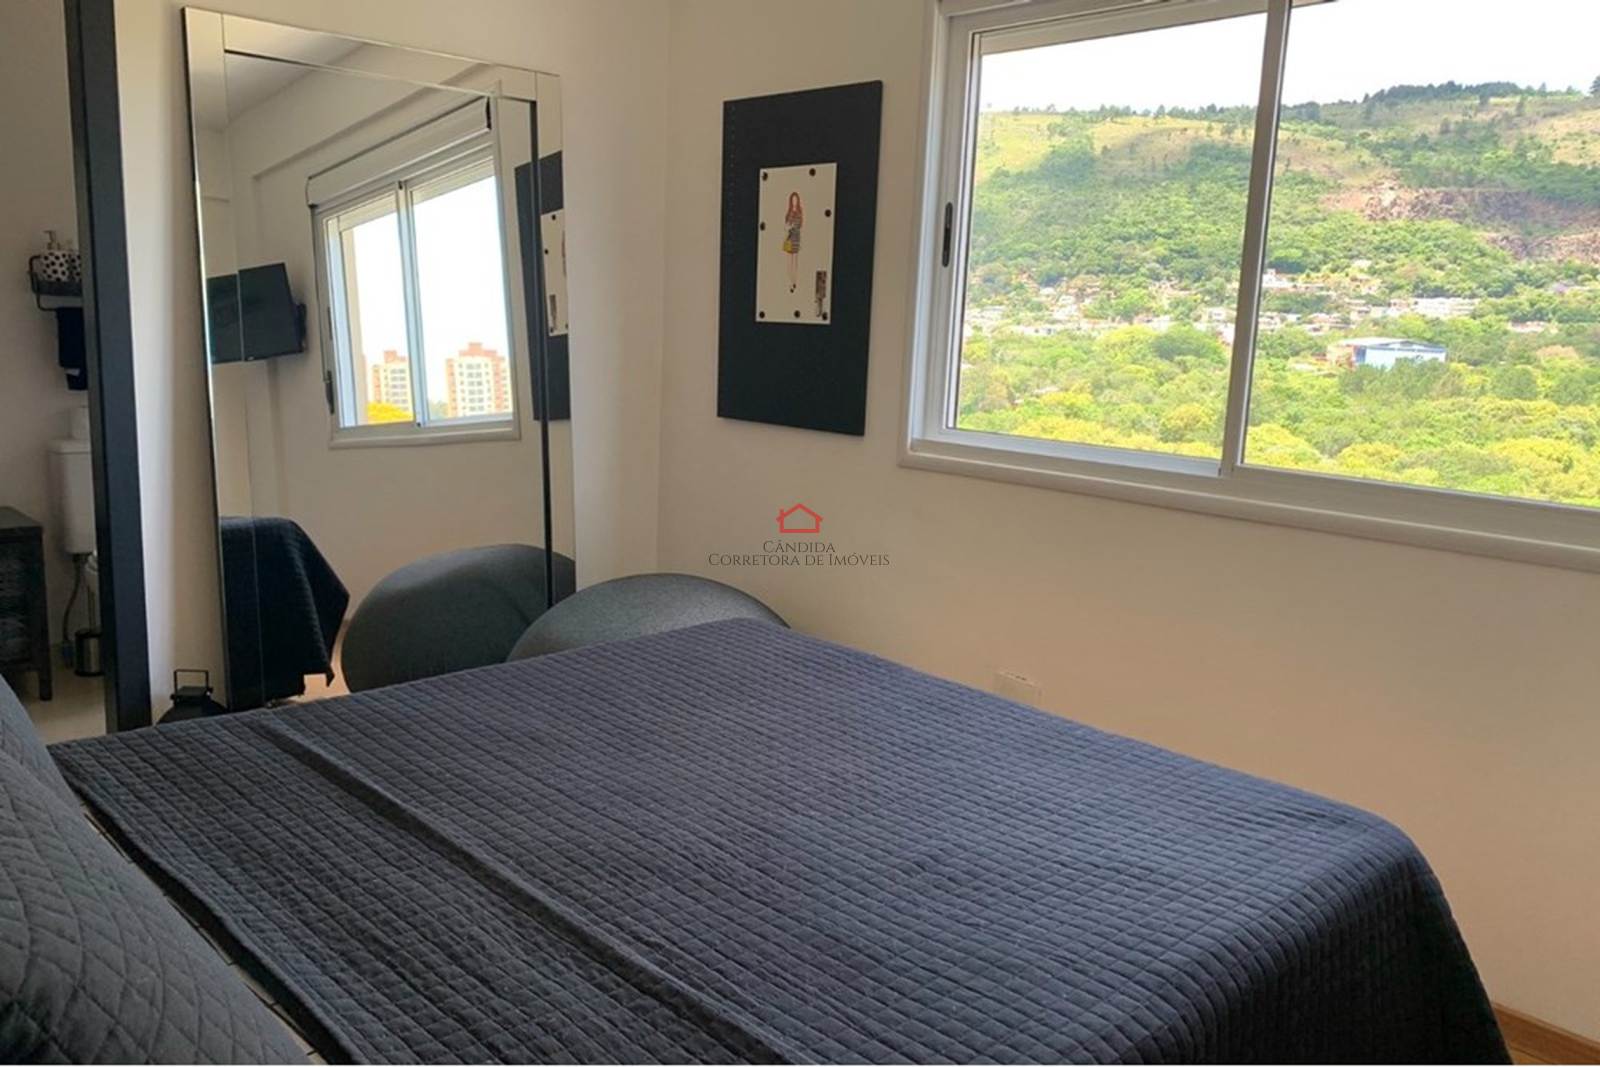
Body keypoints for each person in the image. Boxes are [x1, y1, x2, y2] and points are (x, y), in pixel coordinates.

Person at [783, 191, 803, 293]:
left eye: (796, 200)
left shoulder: (799, 213)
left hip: (796, 238)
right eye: (793, 200)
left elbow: (799, 226)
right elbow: (786, 226)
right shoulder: (789, 213)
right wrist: (789, 227)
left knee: (795, 262)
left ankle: (794, 281)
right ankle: (790, 282)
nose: (794, 202)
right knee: (789, 262)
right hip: (789, 238)